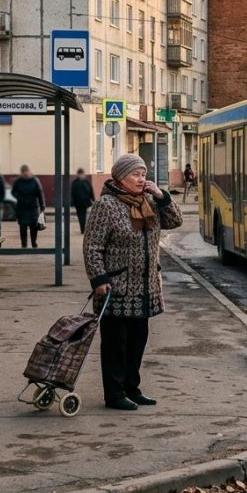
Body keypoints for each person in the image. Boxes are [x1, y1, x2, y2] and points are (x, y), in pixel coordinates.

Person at [83, 154, 183, 411]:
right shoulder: (106, 205)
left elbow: (175, 221)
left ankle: (132, 388)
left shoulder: (148, 201)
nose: (142, 179)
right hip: (116, 287)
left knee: (138, 342)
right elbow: (92, 246)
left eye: (143, 174)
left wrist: (161, 196)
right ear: (120, 177)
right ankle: (114, 394)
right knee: (116, 344)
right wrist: (99, 279)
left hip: (146, 288)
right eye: (136, 175)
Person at [11, 165, 45, 248]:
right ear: (22, 173)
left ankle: (34, 243)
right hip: (22, 208)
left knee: (34, 227)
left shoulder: (35, 181)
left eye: (27, 172)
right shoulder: (18, 181)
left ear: (29, 172)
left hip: (33, 207)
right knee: (23, 228)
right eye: (24, 173)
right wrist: (19, 197)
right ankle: (24, 244)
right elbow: (13, 192)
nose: (26, 174)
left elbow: (40, 193)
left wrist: (42, 205)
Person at [71, 168, 96, 234]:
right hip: (79, 202)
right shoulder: (78, 182)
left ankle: (83, 228)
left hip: (83, 202)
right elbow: (73, 193)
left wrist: (93, 199)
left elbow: (91, 191)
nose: (81, 175)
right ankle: (82, 228)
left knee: (83, 216)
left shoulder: (84, 182)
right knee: (81, 216)